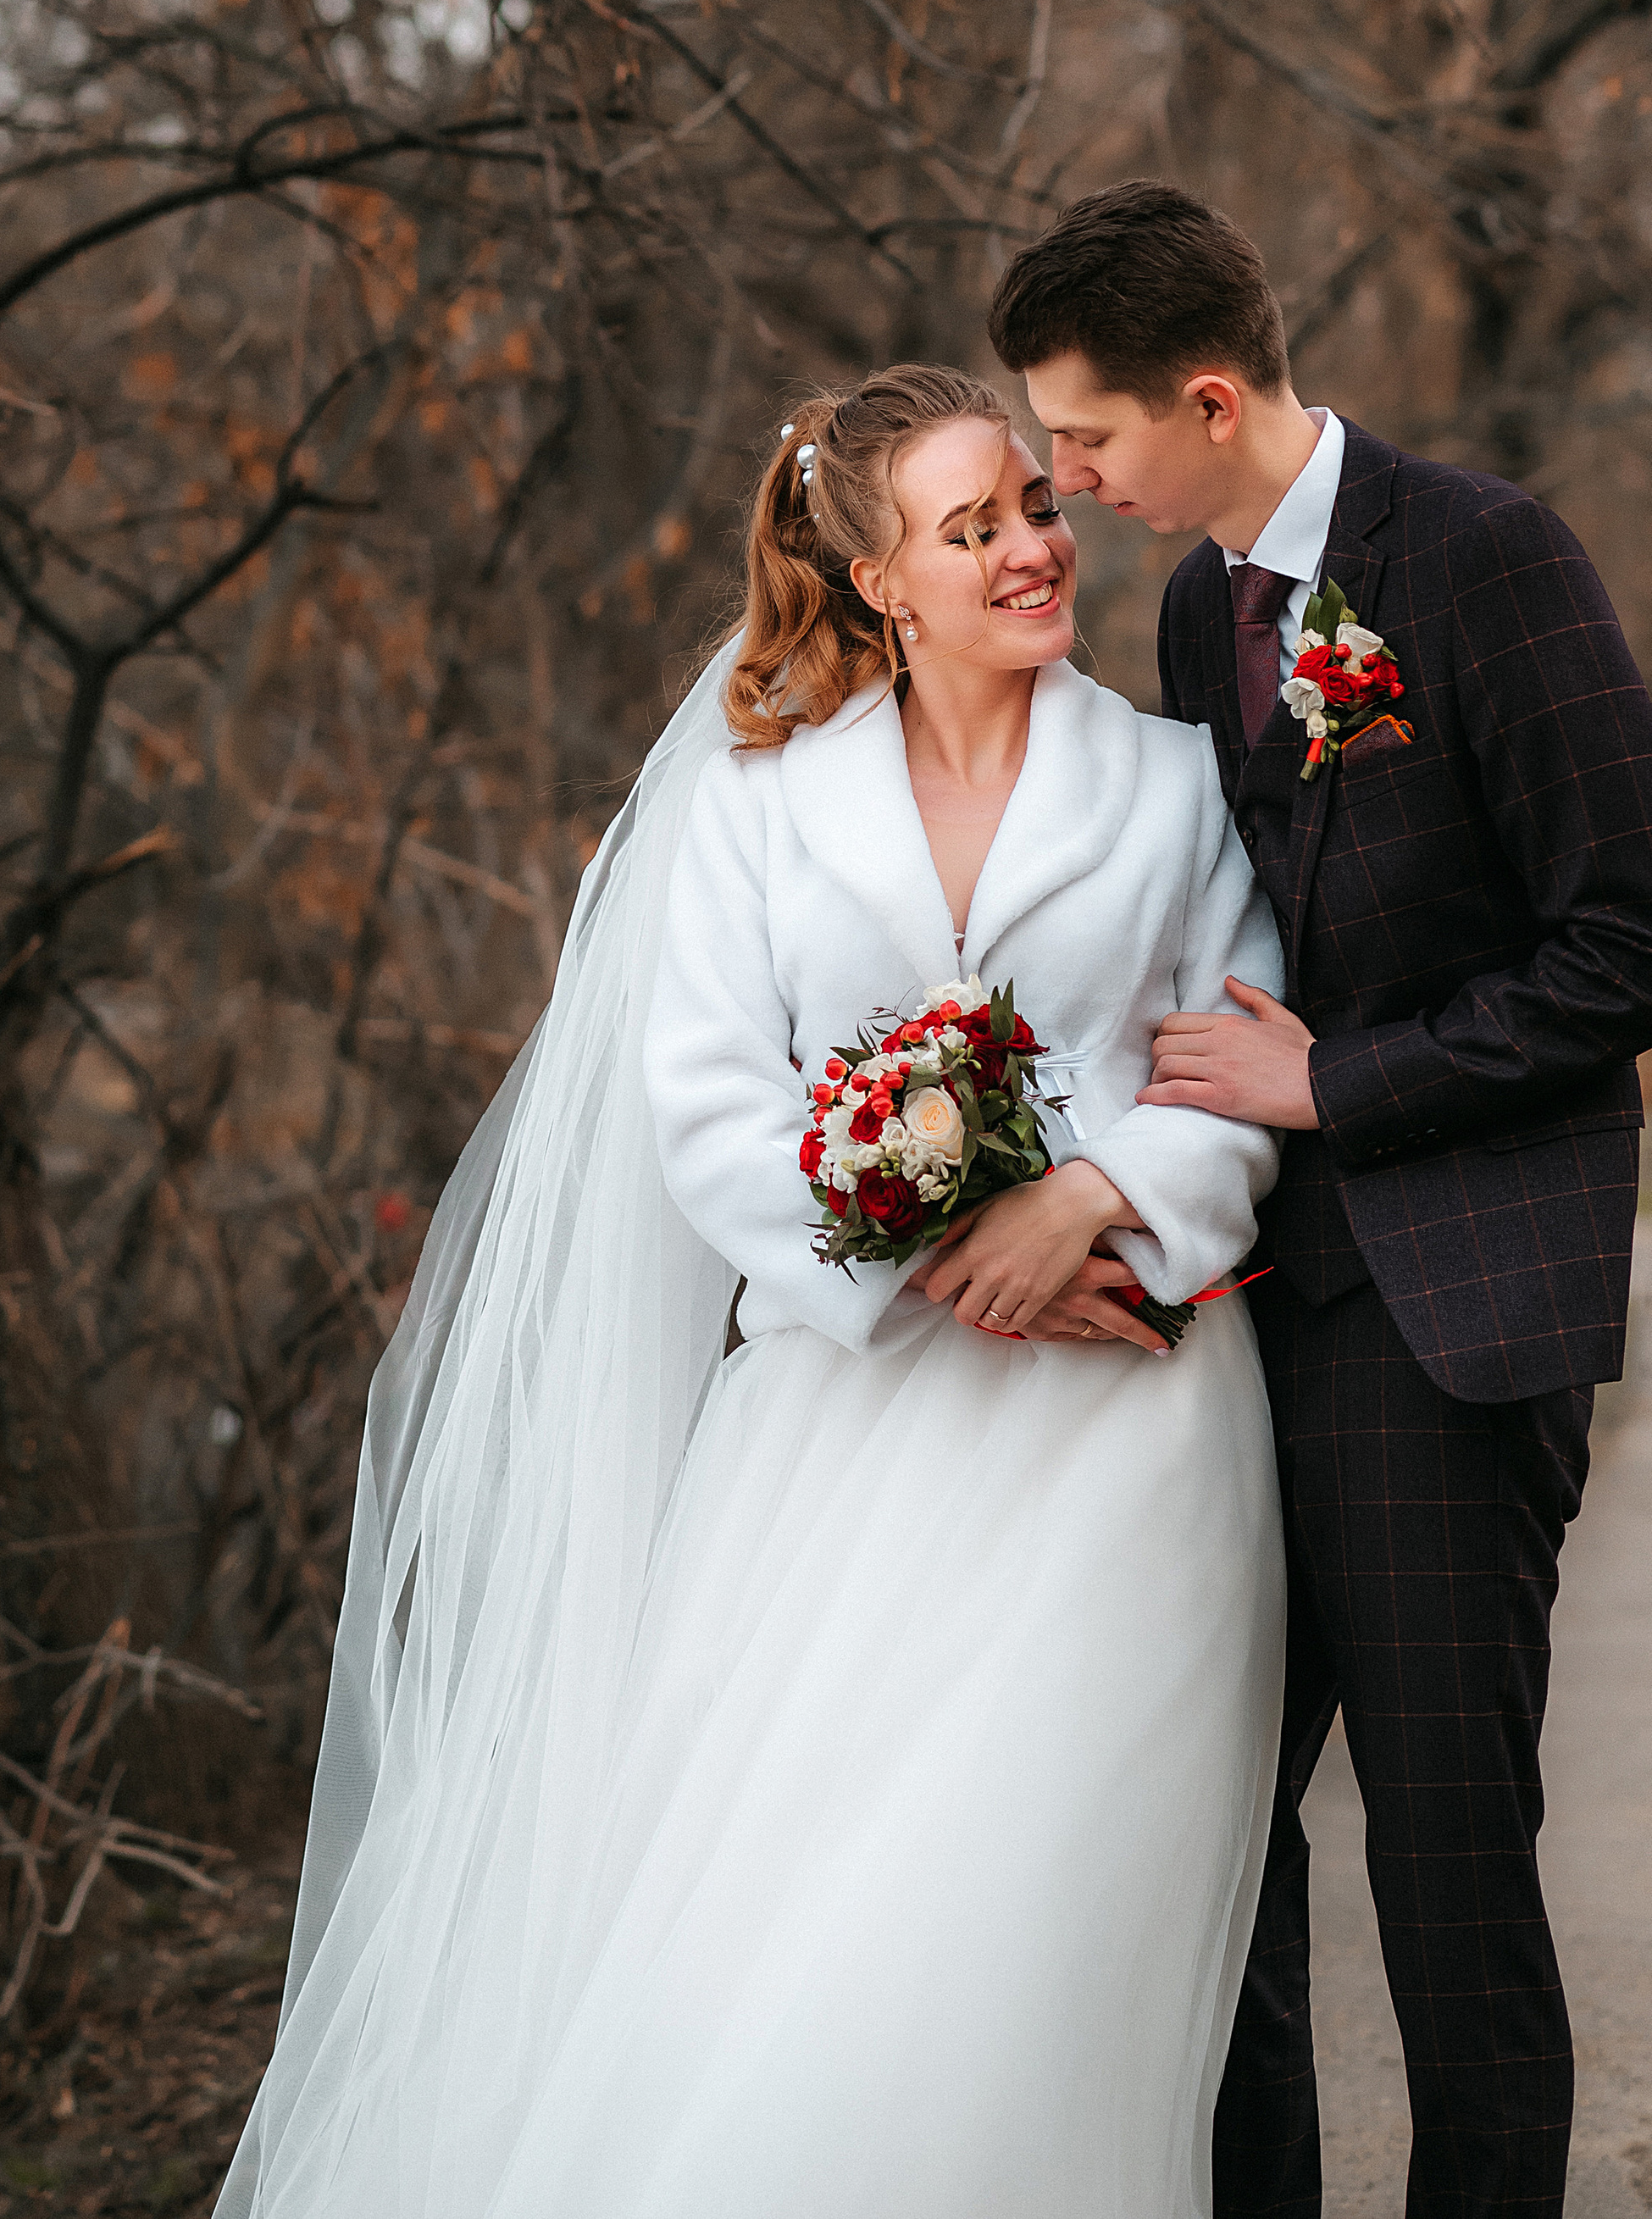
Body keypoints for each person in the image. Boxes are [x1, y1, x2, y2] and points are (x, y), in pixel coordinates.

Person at [221, 363, 1290, 2219]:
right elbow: (711, 1113)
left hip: (1131, 1436)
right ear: (882, 581)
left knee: (1038, 1922)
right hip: (834, 1443)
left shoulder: (1177, 782)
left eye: (1032, 509)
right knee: (811, 1925)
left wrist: (1101, 1200)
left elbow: (1234, 1065)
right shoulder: (756, 812)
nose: (1035, 549)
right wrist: (938, 1254)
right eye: (975, 530)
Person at [988, 181, 1652, 2219]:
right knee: (1208, 1851)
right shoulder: (1203, 612)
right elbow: (1212, 937)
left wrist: (1331, 1078)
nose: (1064, 485)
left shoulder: (1483, 562)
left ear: (1203, 399)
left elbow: (1620, 944)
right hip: (1242, 1319)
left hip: (1451, 1314)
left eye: (1086, 441)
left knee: (1442, 1883)